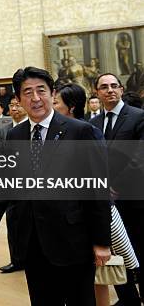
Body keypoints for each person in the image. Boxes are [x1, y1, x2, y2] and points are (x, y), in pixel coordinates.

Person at [0, 66, 111, 305]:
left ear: (52, 93)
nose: (35, 98)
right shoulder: (15, 135)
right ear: (18, 100)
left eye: (41, 90)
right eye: (27, 92)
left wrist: (102, 242)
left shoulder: (81, 132)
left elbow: (98, 190)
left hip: (72, 240)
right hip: (32, 241)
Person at [54, 82, 140, 306]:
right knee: (95, 277)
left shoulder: (83, 131)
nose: (51, 107)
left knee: (104, 271)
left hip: (99, 210)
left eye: (55, 103)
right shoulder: (81, 126)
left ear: (70, 107)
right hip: (79, 212)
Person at [90, 73, 144, 305]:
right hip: (107, 203)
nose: (110, 90)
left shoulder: (138, 117)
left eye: (114, 86)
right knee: (116, 252)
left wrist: (116, 186)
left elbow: (139, 157)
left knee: (139, 249)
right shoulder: (92, 124)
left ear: (121, 90)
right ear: (97, 93)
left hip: (134, 198)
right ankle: (127, 299)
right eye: (104, 87)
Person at [0, 96, 28, 274]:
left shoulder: (32, 126)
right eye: (12, 105)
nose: (15, 108)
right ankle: (16, 260)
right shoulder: (4, 131)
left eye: (18, 105)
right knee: (13, 223)